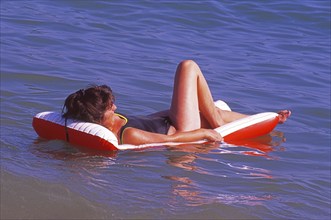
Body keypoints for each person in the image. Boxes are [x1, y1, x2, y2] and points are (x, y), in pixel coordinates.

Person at [62, 60, 291, 145]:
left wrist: (174, 110)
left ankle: (268, 119)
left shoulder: (110, 122)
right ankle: (218, 119)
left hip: (165, 119)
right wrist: (203, 134)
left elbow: (148, 120)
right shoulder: (128, 135)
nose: (116, 106)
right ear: (101, 114)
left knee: (208, 108)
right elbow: (169, 140)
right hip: (180, 128)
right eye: (111, 105)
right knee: (188, 67)